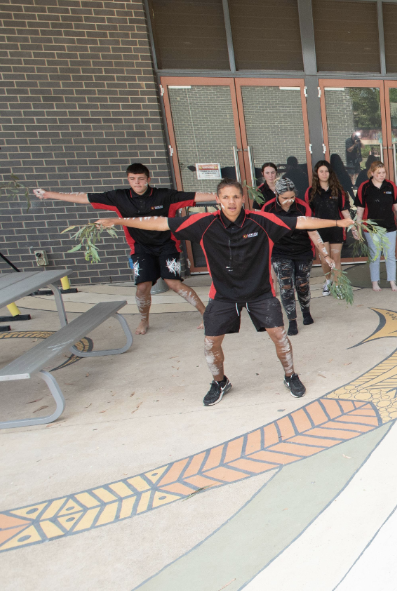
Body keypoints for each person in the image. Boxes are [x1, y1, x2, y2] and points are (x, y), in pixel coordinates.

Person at [95, 178, 353, 406]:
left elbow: (301, 221)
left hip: (260, 291)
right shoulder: (202, 223)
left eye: (236, 196)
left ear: (243, 199)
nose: (231, 202)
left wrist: (338, 221)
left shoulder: (261, 220)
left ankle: (290, 376)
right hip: (223, 294)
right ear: (217, 200)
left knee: (279, 335)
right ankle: (220, 382)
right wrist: (117, 219)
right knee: (211, 343)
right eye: (226, 197)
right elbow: (161, 223)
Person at [33, 163, 215, 335]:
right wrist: (49, 194)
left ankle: (206, 315)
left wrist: (225, 196)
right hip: (140, 247)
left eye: (141, 178)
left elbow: (196, 196)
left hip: (167, 245)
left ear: (148, 179)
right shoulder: (118, 197)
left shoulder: (164, 195)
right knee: (142, 287)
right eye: (133, 178)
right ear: (128, 180)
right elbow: (84, 198)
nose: (137, 182)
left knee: (173, 283)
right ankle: (144, 320)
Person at [261, 178, 328, 336]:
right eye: (285, 198)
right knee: (286, 287)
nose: (289, 201)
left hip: (302, 250)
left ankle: (306, 311)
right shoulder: (268, 208)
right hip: (280, 252)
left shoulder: (302, 206)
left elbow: (312, 230)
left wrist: (324, 252)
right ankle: (292, 320)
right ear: (277, 194)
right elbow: (263, 232)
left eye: (292, 197)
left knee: (302, 284)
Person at [305, 160, 354, 297]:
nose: (324, 174)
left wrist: (353, 226)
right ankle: (328, 281)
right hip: (320, 230)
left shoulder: (338, 190)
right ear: (317, 173)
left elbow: (344, 210)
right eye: (321, 171)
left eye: (326, 171)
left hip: (336, 228)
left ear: (330, 173)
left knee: (336, 258)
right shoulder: (311, 192)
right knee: (325, 259)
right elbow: (309, 213)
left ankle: (338, 285)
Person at [355, 160, 397, 292]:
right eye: (378, 173)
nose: (382, 175)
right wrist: (358, 228)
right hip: (371, 228)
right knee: (375, 255)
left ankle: (392, 281)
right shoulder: (364, 187)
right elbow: (359, 210)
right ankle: (375, 282)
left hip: (389, 225)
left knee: (390, 255)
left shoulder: (390, 186)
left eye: (383, 173)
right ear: (372, 173)